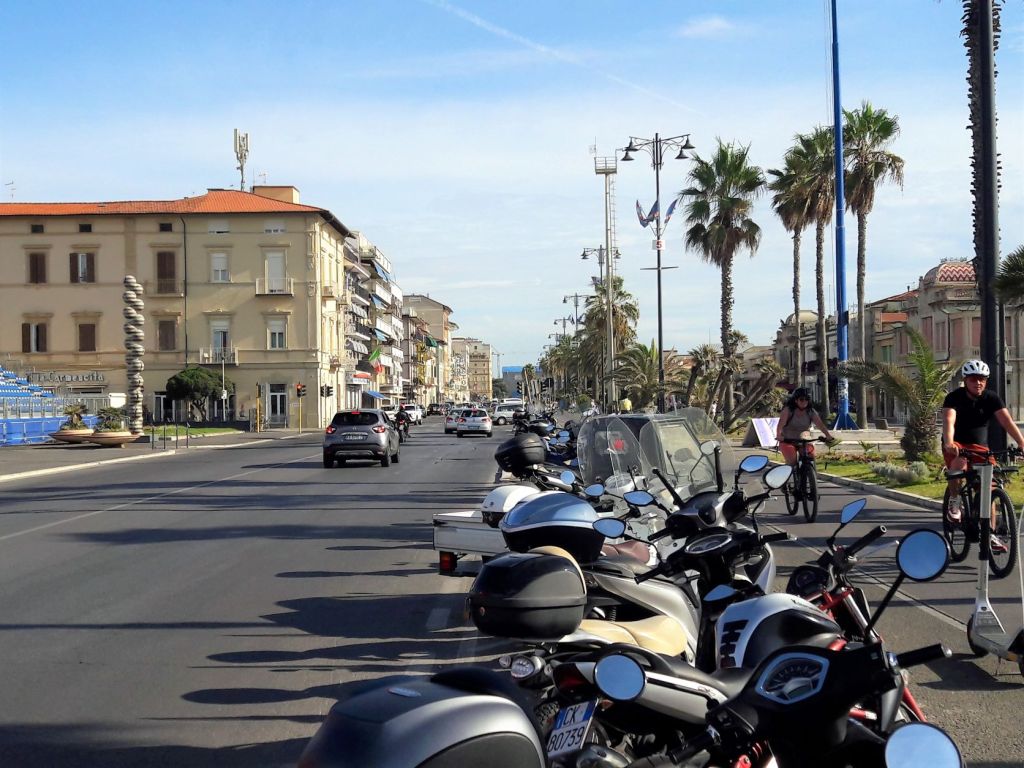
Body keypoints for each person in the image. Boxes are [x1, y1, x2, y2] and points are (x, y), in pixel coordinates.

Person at [941, 360, 1024, 553]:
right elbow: (948, 420)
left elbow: (1007, 421)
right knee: (958, 465)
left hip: (980, 447)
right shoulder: (954, 397)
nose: (978, 383)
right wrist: (949, 443)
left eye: (982, 379)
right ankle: (954, 501)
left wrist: (1021, 443)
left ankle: (990, 533)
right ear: (965, 380)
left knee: (989, 489)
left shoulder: (991, 398)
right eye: (973, 379)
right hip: (957, 445)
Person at [775, 387, 841, 466]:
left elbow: (820, 424)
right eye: (801, 399)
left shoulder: (811, 411)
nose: (804, 401)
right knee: (792, 461)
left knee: (811, 458)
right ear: (796, 400)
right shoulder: (788, 410)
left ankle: (812, 472)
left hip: (804, 440)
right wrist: (779, 435)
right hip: (788, 440)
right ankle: (793, 471)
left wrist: (828, 435)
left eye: (807, 399)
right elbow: (780, 425)